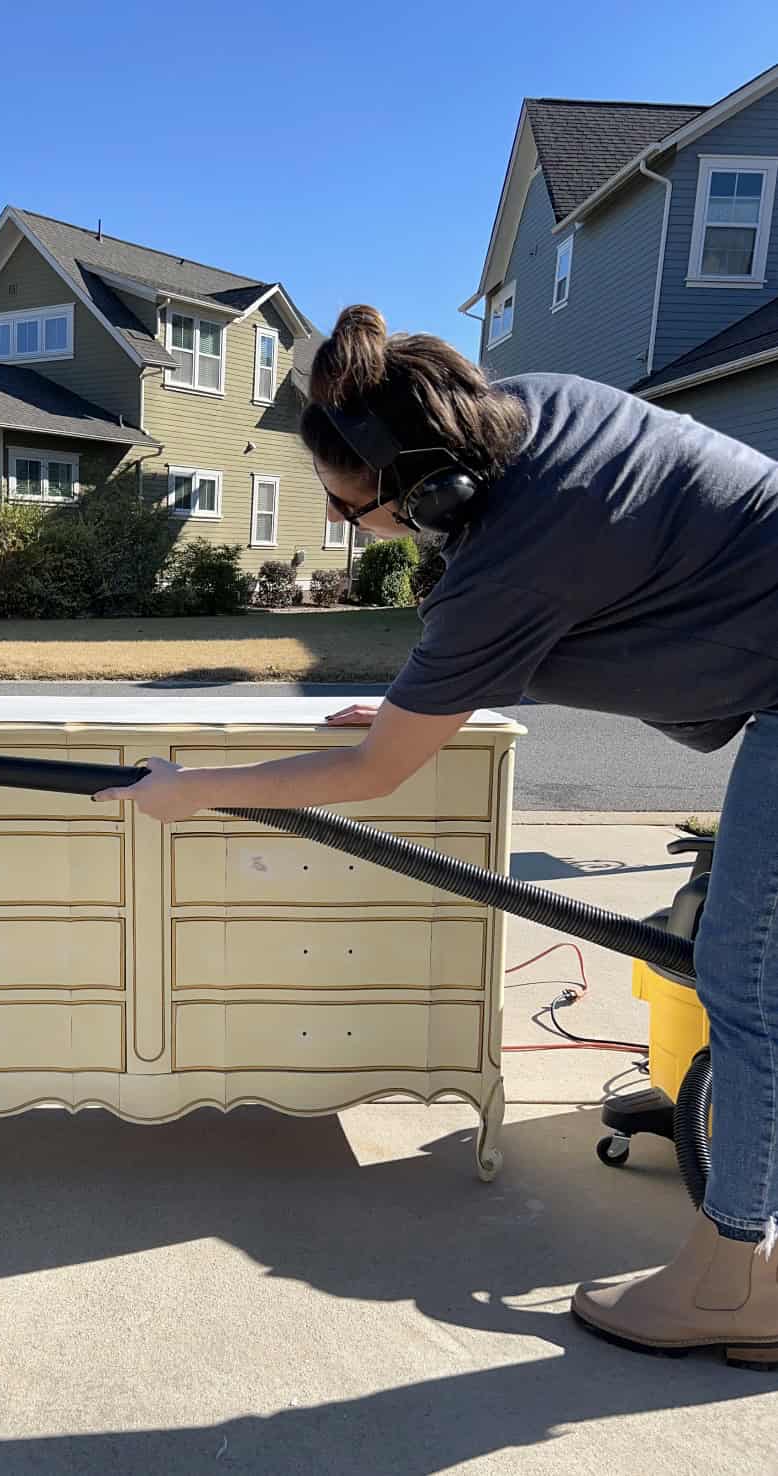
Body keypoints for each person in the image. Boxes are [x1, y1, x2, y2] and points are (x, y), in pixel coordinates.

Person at [95, 303, 778, 1366]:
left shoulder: (511, 558)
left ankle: (737, 1280)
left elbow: (377, 772)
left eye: (346, 504)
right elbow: (610, 594)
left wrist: (196, 790)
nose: (346, 523)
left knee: (745, 982)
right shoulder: (540, 413)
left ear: (428, 489)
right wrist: (428, 698)